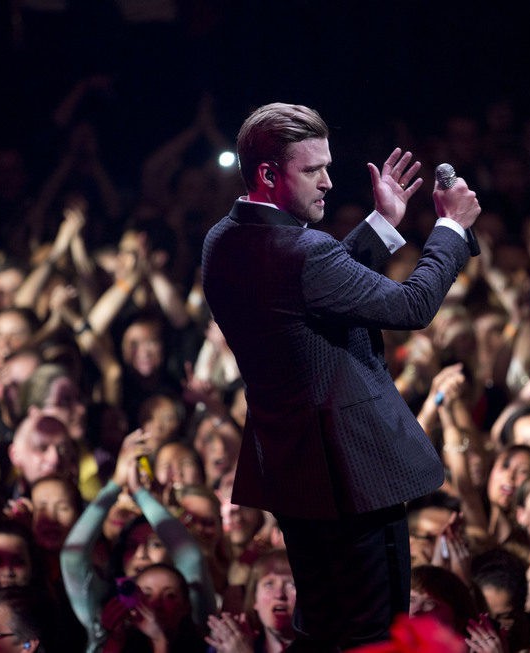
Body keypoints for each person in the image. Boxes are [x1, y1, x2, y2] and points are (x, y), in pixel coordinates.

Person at [201, 102, 480, 649]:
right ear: (268, 174)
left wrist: (381, 225)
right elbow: (411, 307)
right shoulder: (304, 251)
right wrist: (450, 227)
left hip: (295, 471)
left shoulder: (224, 239)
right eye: (313, 170)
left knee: (324, 625)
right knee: (370, 632)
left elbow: (310, 291)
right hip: (352, 473)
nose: (329, 182)